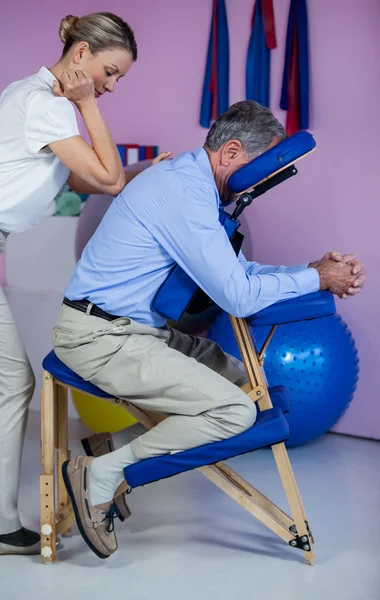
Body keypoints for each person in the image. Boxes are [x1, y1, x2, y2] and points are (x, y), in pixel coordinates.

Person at [53, 100, 365, 559]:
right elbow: (237, 296)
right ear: (231, 152)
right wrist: (318, 279)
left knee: (247, 389)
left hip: (137, 332)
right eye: (263, 169)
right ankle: (102, 473)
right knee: (233, 414)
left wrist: (311, 269)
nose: (264, 182)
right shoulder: (182, 192)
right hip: (98, 338)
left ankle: (110, 456)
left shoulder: (195, 186)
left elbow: (235, 272)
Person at [0, 11, 169, 556]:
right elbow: (106, 177)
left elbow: (94, 181)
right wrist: (87, 105)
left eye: (118, 81)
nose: (110, 87)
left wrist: (148, 170)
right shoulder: (48, 104)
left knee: (8, 383)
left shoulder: (37, 103)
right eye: (110, 73)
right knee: (12, 383)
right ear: (81, 54)